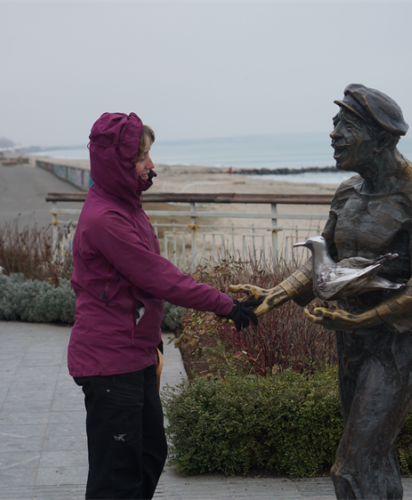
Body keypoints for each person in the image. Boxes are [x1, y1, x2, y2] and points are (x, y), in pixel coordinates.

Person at [230, 84, 412, 500]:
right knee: (376, 458)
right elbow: (324, 260)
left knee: (352, 465)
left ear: (381, 139)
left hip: (398, 345)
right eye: (335, 123)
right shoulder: (348, 191)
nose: (334, 134)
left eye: (347, 126)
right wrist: (275, 294)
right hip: (352, 341)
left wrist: (364, 318)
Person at [69, 112, 260, 500]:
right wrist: (226, 305)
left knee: (150, 455)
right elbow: (158, 277)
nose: (151, 165)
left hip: (134, 352)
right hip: (110, 360)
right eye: (142, 157)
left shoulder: (126, 205)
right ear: (118, 163)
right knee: (117, 477)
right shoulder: (106, 218)